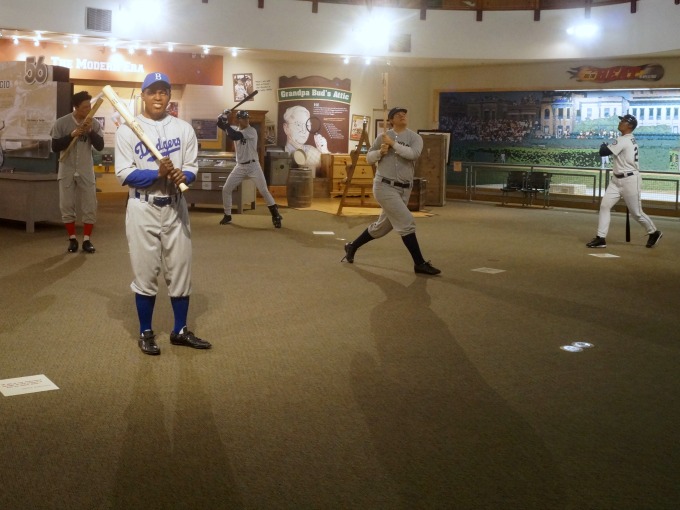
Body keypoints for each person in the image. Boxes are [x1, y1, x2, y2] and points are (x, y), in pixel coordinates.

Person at [115, 72, 211, 355]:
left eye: (164, 91)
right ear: (143, 95)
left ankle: (180, 330)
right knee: (145, 271)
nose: (159, 97)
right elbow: (125, 173)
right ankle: (146, 331)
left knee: (180, 269)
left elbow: (193, 165)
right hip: (142, 206)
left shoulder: (183, 129)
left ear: (170, 96)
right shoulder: (127, 130)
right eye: (152, 91)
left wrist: (185, 175)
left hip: (175, 205)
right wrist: (156, 173)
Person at [342, 107, 441, 275]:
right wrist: (380, 152)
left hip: (404, 189)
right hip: (384, 186)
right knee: (407, 221)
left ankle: (352, 246)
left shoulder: (415, 138)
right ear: (390, 120)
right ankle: (419, 263)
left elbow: (413, 154)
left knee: (381, 228)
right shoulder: (382, 137)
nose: (402, 116)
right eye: (397, 115)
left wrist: (393, 144)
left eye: (404, 114)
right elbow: (368, 159)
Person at [586, 114, 662, 249]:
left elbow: (603, 152)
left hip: (630, 180)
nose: (621, 122)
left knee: (637, 213)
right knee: (604, 206)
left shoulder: (624, 139)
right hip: (616, 180)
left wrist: (603, 145)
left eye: (624, 121)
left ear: (630, 126)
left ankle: (654, 232)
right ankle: (600, 238)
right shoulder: (628, 139)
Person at [50, 91, 104, 253]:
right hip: (66, 168)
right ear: (76, 107)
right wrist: (71, 135)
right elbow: (55, 147)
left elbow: (100, 146)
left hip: (85, 168)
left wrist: (90, 132)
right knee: (66, 204)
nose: (88, 109)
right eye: (84, 107)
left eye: (89, 106)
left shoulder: (93, 123)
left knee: (90, 203)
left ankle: (87, 239)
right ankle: (72, 238)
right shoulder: (61, 123)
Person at [216, 110, 282, 228]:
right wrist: (222, 116)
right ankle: (227, 215)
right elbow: (220, 125)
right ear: (238, 120)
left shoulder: (251, 131)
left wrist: (225, 121)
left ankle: (275, 214)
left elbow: (233, 136)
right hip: (240, 166)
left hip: (253, 166)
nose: (246, 120)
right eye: (243, 118)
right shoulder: (235, 128)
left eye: (247, 118)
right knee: (226, 189)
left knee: (263, 190)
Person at [282, 105, 329, 174]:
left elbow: (330, 171)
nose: (304, 131)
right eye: (298, 125)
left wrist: (324, 151)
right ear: (286, 128)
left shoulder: (315, 152)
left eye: (307, 125)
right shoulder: (280, 155)